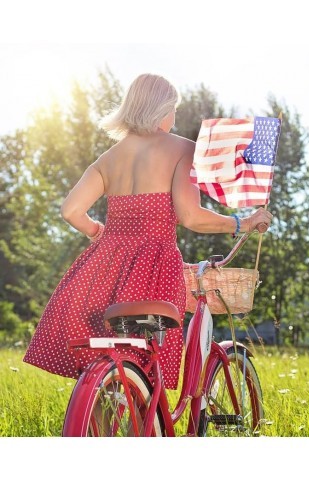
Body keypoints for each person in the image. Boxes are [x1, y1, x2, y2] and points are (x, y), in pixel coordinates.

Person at [23, 73, 273, 390]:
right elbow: (191, 217)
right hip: (154, 268)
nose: (174, 118)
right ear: (162, 109)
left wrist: (98, 232)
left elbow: (70, 210)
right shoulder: (182, 149)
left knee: (108, 367)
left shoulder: (108, 159)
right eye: (174, 110)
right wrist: (243, 223)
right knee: (147, 361)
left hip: (102, 271)